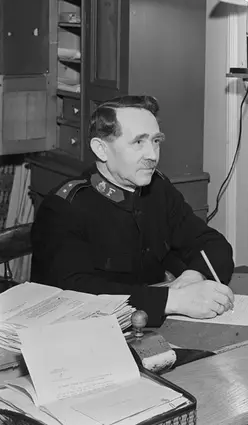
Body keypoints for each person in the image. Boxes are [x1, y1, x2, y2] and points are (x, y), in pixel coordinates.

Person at [31, 95, 235, 327]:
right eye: (138, 142)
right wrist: (171, 300)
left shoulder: (158, 189)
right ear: (101, 149)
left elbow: (212, 244)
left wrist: (192, 277)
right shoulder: (65, 206)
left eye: (156, 141)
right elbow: (72, 293)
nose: (152, 155)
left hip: (152, 329)